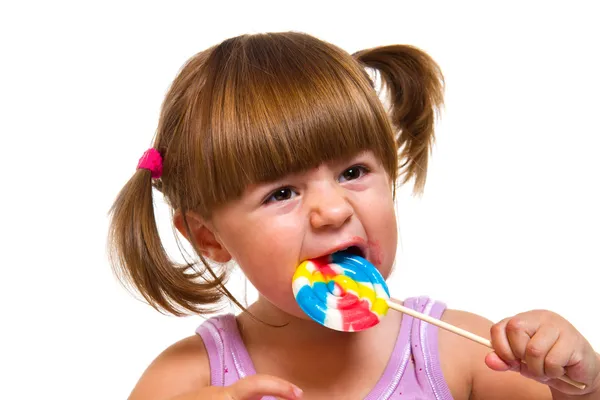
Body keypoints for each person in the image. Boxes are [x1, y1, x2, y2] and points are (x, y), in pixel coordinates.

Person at [107, 31, 599, 400]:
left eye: (352, 171)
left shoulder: (461, 356)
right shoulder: (183, 381)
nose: (333, 210)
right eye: (281, 193)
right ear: (209, 237)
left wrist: (582, 383)